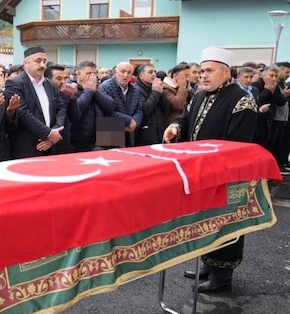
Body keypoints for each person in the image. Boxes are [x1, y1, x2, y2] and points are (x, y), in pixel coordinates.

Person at [163, 47, 258, 293]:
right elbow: (186, 118)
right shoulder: (199, 95)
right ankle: (208, 264)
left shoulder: (242, 101)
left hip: (228, 178)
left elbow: (237, 147)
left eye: (209, 71)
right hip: (202, 174)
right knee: (206, 222)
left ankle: (222, 276)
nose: (203, 75)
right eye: (201, 70)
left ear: (226, 72)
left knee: (226, 224)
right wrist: (175, 126)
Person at [3, 46, 65, 158]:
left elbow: (60, 109)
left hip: (52, 146)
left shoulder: (50, 85)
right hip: (28, 147)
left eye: (44, 61)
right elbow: (23, 113)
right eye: (38, 61)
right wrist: (48, 134)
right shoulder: (15, 84)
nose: (42, 65)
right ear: (26, 63)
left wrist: (55, 132)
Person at [72, 61, 114, 152]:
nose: (92, 77)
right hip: (76, 140)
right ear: (78, 74)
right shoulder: (72, 87)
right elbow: (76, 109)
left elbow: (111, 107)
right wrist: (88, 91)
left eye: (94, 73)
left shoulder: (100, 87)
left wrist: (95, 91)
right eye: (88, 73)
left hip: (101, 140)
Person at [98, 62, 142, 147]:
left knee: (129, 156)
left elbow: (139, 109)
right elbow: (107, 110)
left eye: (129, 72)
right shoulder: (105, 87)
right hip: (110, 129)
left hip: (130, 130)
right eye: (123, 71)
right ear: (115, 72)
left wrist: (135, 122)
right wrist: (129, 120)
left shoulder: (135, 90)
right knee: (113, 157)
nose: (125, 75)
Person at [135, 63, 169, 145]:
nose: (154, 74)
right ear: (141, 76)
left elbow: (166, 109)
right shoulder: (136, 90)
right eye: (150, 72)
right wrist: (156, 93)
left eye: (155, 72)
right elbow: (145, 109)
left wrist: (161, 93)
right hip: (144, 135)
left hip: (158, 131)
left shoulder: (155, 87)